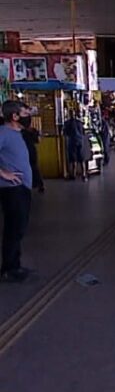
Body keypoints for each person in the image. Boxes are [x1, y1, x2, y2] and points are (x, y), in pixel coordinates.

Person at [0, 100, 34, 282]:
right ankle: (8, 268)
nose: (28, 116)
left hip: (22, 187)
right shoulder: (3, 133)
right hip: (12, 189)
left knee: (19, 228)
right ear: (14, 116)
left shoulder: (19, 134)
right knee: (14, 229)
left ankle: (15, 265)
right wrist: (3, 173)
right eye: (24, 113)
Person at [18, 105, 44, 193]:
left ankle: (27, 184)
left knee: (25, 168)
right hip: (32, 151)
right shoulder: (33, 130)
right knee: (34, 168)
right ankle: (39, 184)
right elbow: (38, 141)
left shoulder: (19, 132)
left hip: (23, 151)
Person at [63, 111, 88, 181]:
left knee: (73, 159)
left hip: (72, 142)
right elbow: (83, 132)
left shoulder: (67, 123)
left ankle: (73, 175)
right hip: (80, 141)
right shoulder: (79, 123)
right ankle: (84, 175)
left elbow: (65, 133)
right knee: (81, 159)